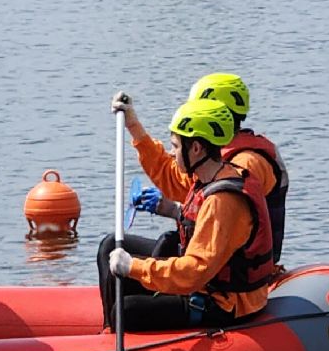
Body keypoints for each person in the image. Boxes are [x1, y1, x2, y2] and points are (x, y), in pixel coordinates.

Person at [98, 98, 282, 333]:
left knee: (126, 310)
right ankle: (109, 333)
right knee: (109, 250)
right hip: (207, 283)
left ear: (196, 148)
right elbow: (166, 172)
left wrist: (133, 267)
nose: (173, 153)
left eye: (175, 146)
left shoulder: (222, 202)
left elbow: (194, 272)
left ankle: (115, 343)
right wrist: (133, 124)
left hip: (226, 302)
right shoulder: (206, 176)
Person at [121, 72, 288, 264]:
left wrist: (175, 210)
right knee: (115, 245)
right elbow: (176, 181)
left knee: (164, 245)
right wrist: (133, 126)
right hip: (210, 251)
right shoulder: (211, 159)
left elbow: (224, 218)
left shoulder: (247, 164)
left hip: (235, 265)